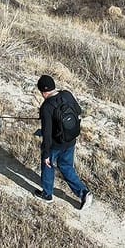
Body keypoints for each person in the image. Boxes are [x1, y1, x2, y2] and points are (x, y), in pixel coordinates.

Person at [33, 74, 91, 209]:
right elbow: (78, 110)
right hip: (70, 140)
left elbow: (47, 133)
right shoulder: (67, 94)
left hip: (55, 144)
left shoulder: (46, 106)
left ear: (43, 92)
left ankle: (47, 195)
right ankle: (84, 193)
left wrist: (46, 153)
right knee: (66, 167)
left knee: (48, 165)